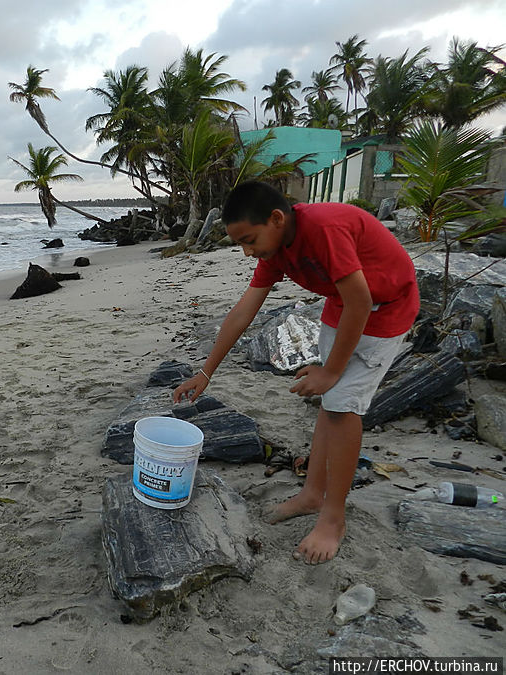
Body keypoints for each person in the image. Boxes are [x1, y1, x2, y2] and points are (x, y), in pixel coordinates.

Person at [172, 181, 418, 564]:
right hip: (343, 305)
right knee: (330, 403)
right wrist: (205, 373)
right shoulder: (273, 249)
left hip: (386, 308)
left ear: (276, 218)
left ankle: (333, 519)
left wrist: (331, 370)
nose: (247, 251)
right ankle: (311, 495)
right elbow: (244, 311)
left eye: (249, 240)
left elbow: (362, 299)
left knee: (342, 406)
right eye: (240, 244)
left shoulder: (323, 229)